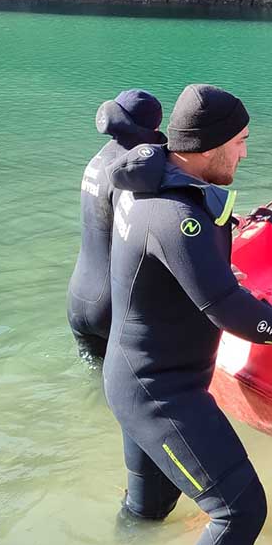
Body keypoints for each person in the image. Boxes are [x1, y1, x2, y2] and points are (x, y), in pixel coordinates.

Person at [103, 84, 272, 545]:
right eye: (240, 142)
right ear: (210, 147)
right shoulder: (178, 217)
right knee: (239, 510)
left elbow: (177, 264)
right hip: (162, 391)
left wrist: (212, 258)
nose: (246, 152)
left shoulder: (148, 184)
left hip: (131, 377)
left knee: (148, 511)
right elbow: (231, 312)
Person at [67, 88, 165, 361]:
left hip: (78, 297)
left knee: (93, 382)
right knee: (127, 394)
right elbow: (147, 237)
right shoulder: (130, 172)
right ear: (154, 127)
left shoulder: (97, 161)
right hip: (114, 304)